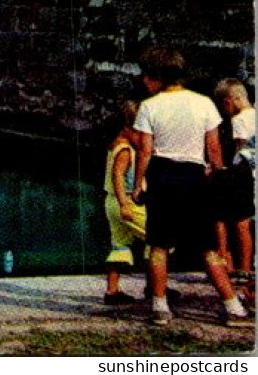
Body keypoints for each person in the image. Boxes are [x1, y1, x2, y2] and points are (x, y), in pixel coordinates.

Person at [131, 46, 251, 327]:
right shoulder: (204, 103)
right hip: (196, 177)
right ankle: (233, 307)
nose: (145, 82)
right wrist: (217, 176)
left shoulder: (149, 106)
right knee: (208, 248)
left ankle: (160, 307)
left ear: (158, 77)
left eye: (148, 76)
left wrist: (138, 184)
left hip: (163, 176)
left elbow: (145, 151)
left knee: (159, 246)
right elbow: (214, 148)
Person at [102, 100, 148, 305]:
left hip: (111, 202)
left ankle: (112, 291)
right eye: (141, 133)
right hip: (126, 201)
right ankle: (156, 285)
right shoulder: (125, 150)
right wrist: (124, 204)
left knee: (119, 246)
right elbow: (117, 176)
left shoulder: (116, 144)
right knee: (159, 239)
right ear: (130, 128)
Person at [213, 79, 255, 290]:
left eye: (224, 104)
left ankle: (230, 263)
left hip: (244, 175)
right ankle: (247, 268)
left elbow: (241, 152)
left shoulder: (239, 120)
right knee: (246, 223)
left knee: (234, 221)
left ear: (231, 100)